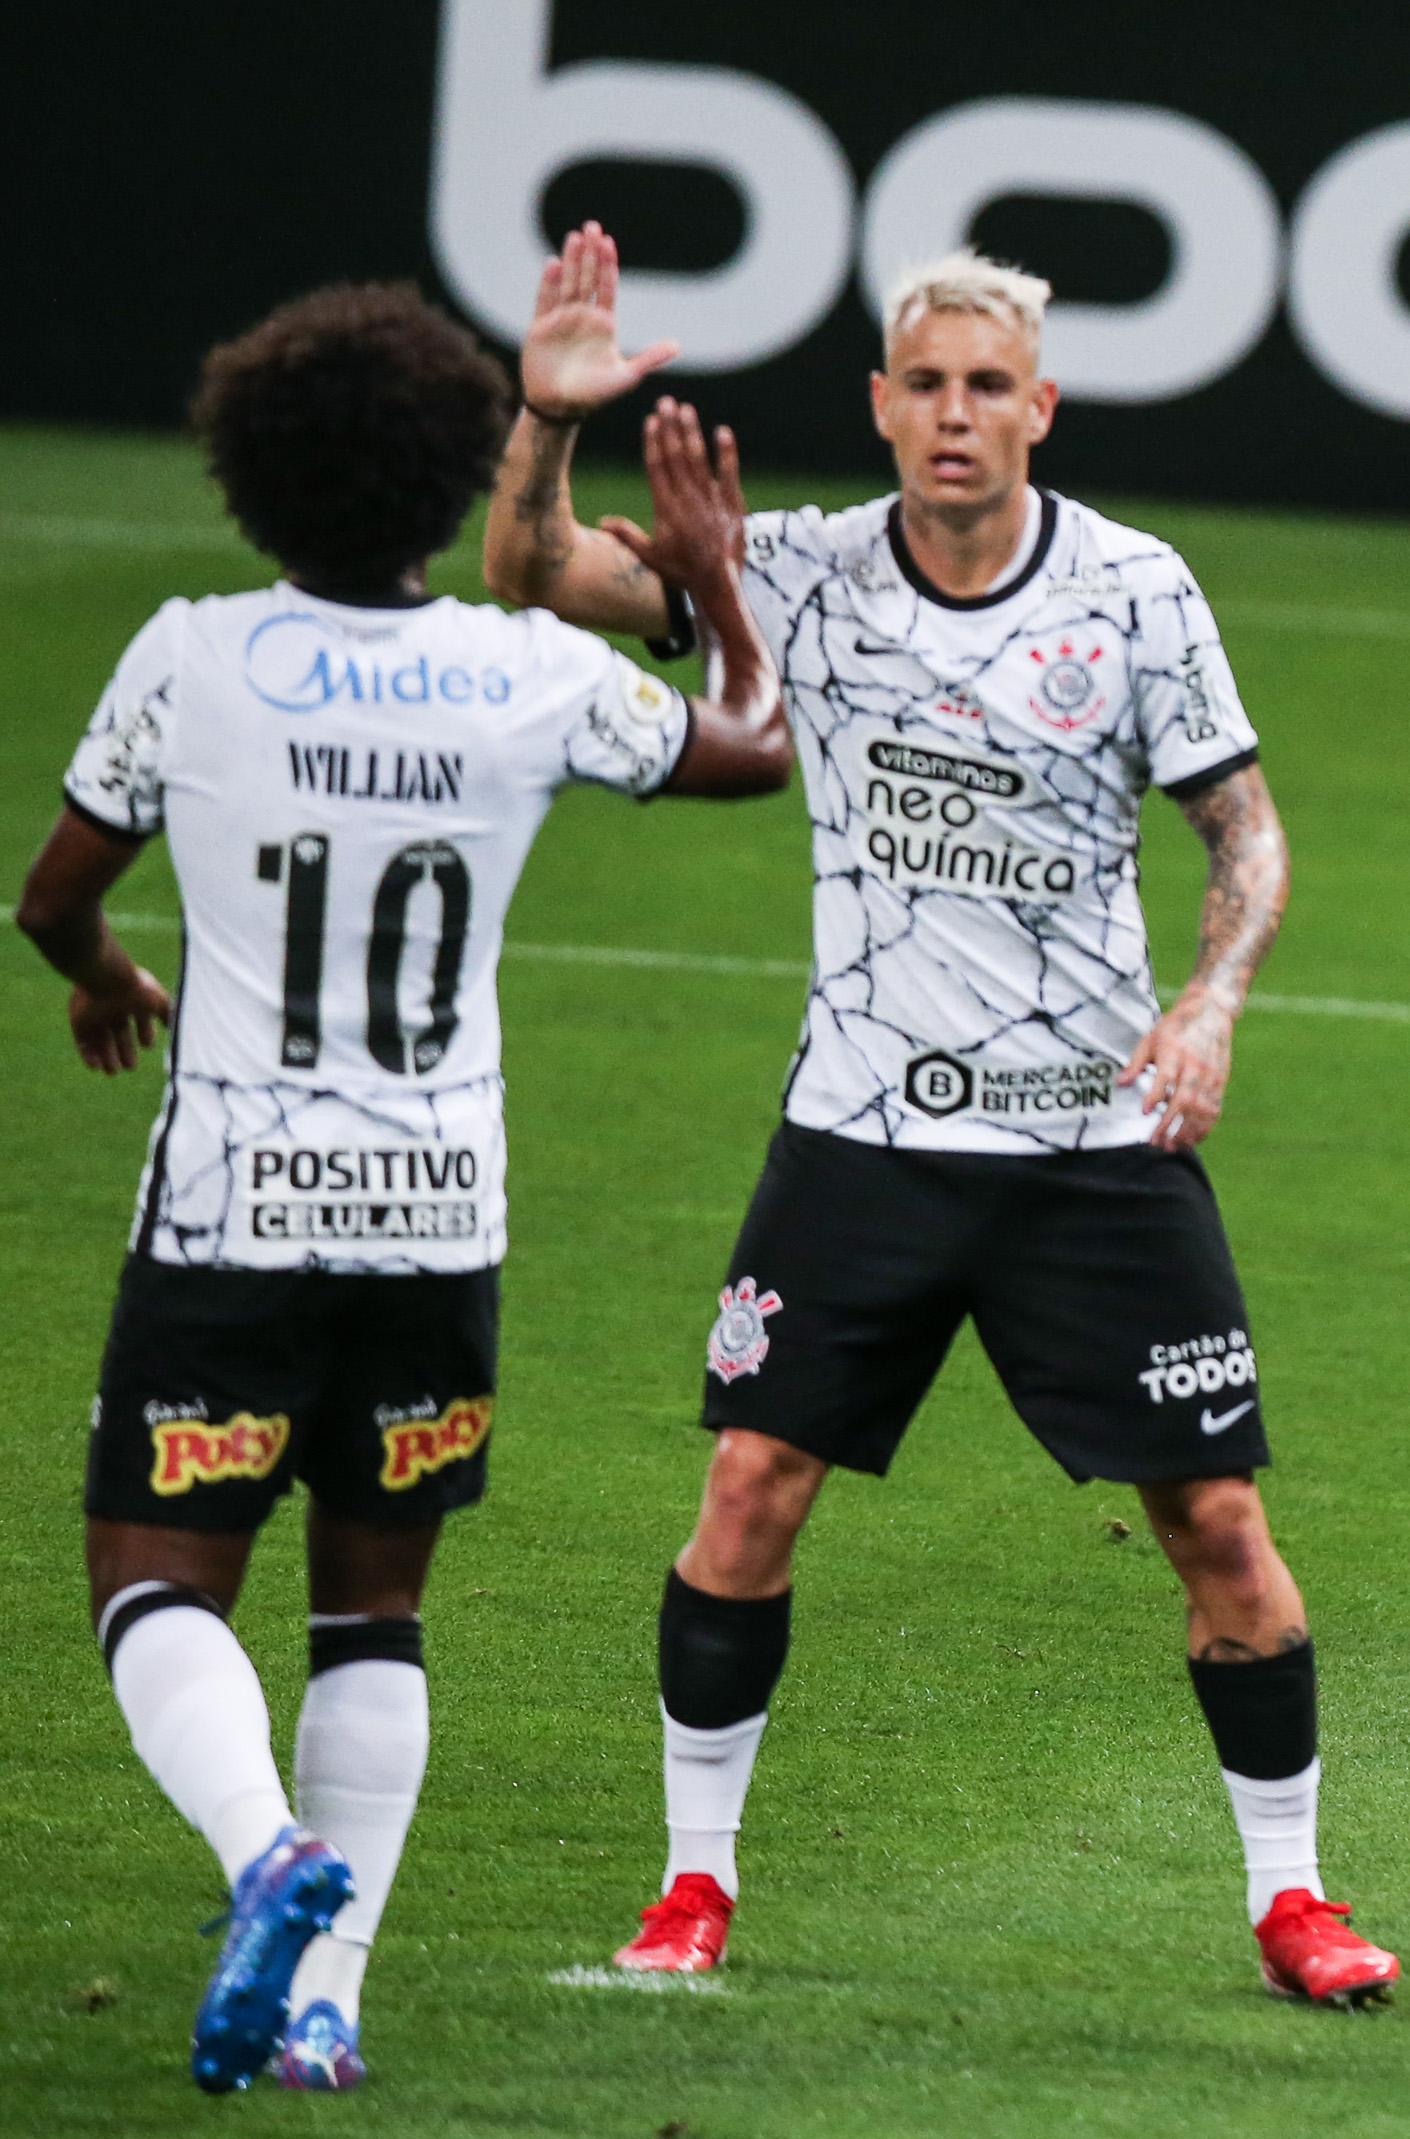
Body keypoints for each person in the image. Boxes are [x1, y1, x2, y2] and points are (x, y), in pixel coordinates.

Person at [481, 227, 1398, 2005]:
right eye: (929, 386)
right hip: (862, 1137)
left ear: (1039, 408)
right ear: (882, 409)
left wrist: (1210, 1001)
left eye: (992, 386)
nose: (959, 415)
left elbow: (1247, 831)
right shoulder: (799, 572)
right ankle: (692, 1887)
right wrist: (542, 422)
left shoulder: (1135, 590)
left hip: (1088, 1149)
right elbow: (533, 573)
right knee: (750, 1487)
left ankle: (1292, 1898)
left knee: (1216, 1521)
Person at [18, 285, 786, 2091]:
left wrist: (104, 976)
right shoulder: (532, 672)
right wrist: (717, 582)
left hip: (231, 1214)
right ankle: (329, 2004)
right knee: (376, 1612)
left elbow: (52, 891)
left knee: (156, 1587)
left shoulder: (192, 654)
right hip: (438, 1217)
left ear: (247, 476)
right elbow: (754, 745)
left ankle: (263, 1855)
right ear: (449, 481)